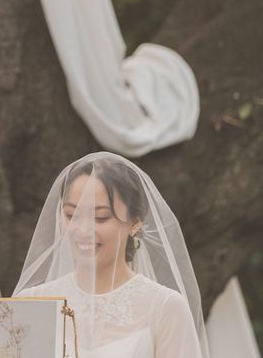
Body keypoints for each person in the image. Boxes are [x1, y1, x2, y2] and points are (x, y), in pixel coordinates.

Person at [14, 151, 209, 358]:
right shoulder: (30, 302)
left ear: (135, 223)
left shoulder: (166, 308)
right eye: (72, 215)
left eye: (100, 217)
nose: (83, 230)